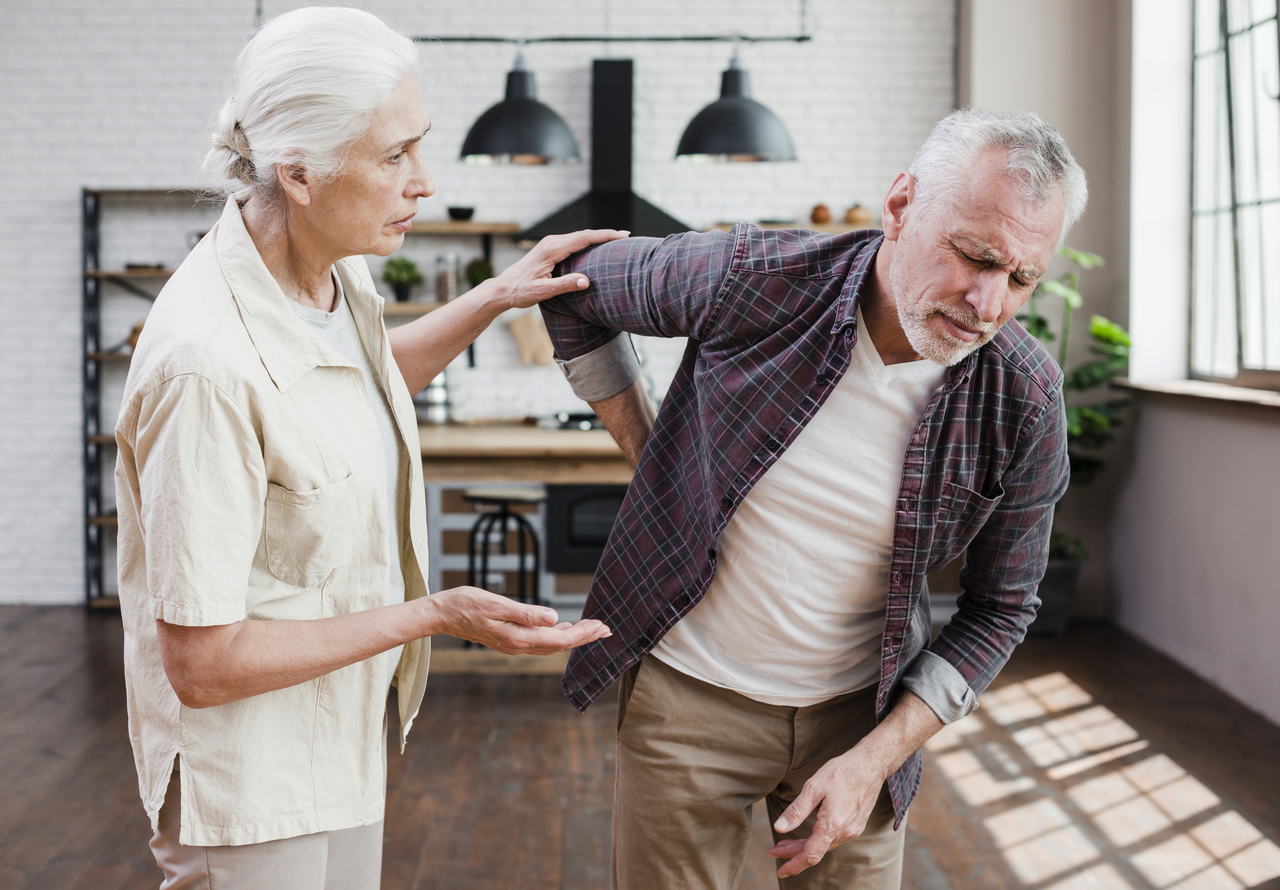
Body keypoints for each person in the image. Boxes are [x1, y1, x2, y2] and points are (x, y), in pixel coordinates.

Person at [113, 7, 621, 888]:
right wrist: (435, 615)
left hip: (338, 740)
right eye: (395, 156)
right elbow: (199, 663)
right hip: (249, 783)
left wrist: (495, 295)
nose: (422, 181)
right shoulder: (203, 364)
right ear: (298, 172)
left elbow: (354, 380)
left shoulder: (330, 274)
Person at [539, 109, 1087, 888]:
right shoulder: (753, 276)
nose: (987, 303)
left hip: (859, 720)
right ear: (901, 206)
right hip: (687, 702)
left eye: (1022, 278)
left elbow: (1000, 607)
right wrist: (648, 447)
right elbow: (571, 288)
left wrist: (874, 761)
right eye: (973, 255)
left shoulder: (1025, 397)